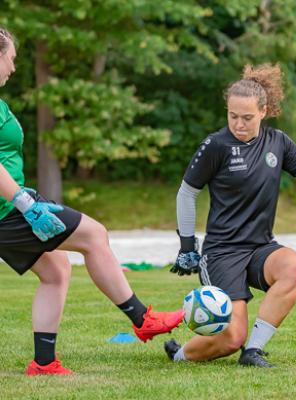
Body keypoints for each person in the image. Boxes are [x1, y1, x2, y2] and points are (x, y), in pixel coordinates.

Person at [0, 27, 184, 376]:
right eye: (11, 57)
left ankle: (43, 363)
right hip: (9, 210)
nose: (13, 66)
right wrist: (27, 204)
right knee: (94, 235)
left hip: (11, 206)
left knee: (56, 271)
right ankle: (142, 319)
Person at [166, 63, 296, 368]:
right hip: (222, 253)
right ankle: (179, 354)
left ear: (263, 110)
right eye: (233, 116)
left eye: (247, 117)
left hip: (260, 247)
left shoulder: (278, 142)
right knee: (231, 338)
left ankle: (253, 352)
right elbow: (187, 193)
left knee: (293, 268)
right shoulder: (215, 145)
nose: (239, 124)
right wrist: (187, 247)